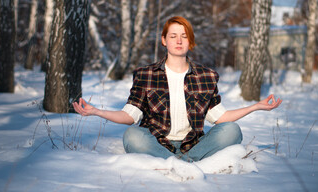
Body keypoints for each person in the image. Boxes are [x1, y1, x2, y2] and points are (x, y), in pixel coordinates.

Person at [72, 16, 282, 162]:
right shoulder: (146, 75)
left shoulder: (205, 77)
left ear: (190, 41)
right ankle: (183, 163)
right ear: (164, 40)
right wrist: (97, 111)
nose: (178, 40)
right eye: (173, 36)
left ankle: (179, 162)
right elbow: (130, 115)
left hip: (195, 144)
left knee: (232, 130)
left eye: (184, 35)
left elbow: (221, 118)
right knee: (132, 136)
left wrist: (255, 107)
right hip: (157, 143)